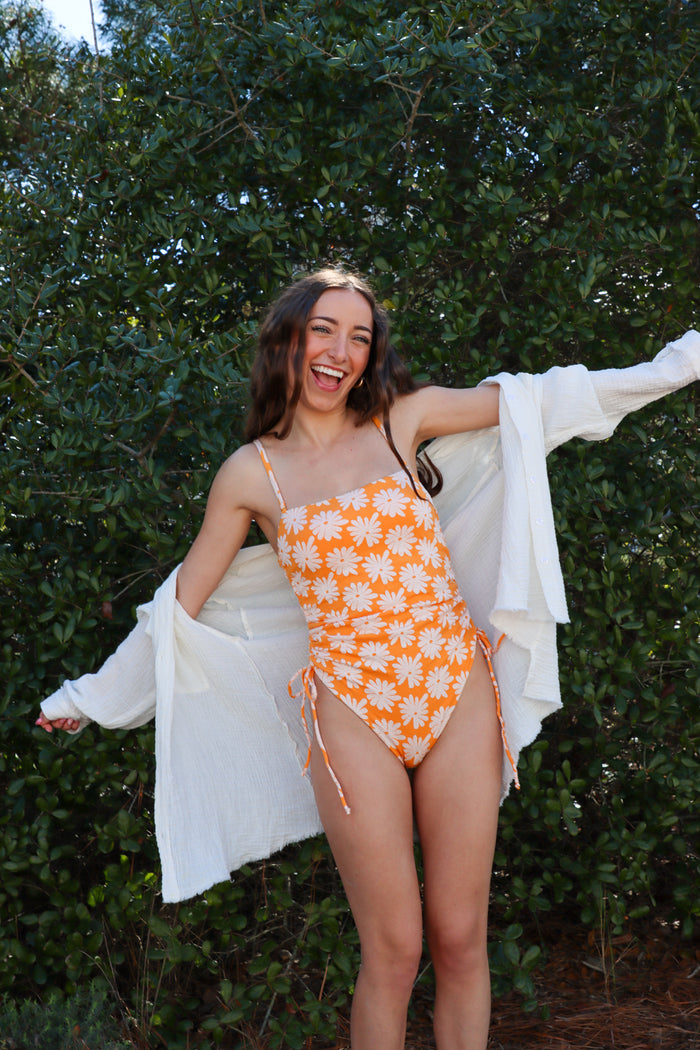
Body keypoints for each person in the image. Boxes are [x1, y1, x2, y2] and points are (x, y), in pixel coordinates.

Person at [37, 268, 700, 1050]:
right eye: (324, 328)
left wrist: (680, 363)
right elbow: (178, 608)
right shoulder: (251, 476)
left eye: (360, 337)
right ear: (289, 336)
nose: (341, 350)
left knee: (460, 940)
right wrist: (92, 696)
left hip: (456, 689)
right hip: (350, 710)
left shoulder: (402, 419)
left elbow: (537, 401)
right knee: (395, 950)